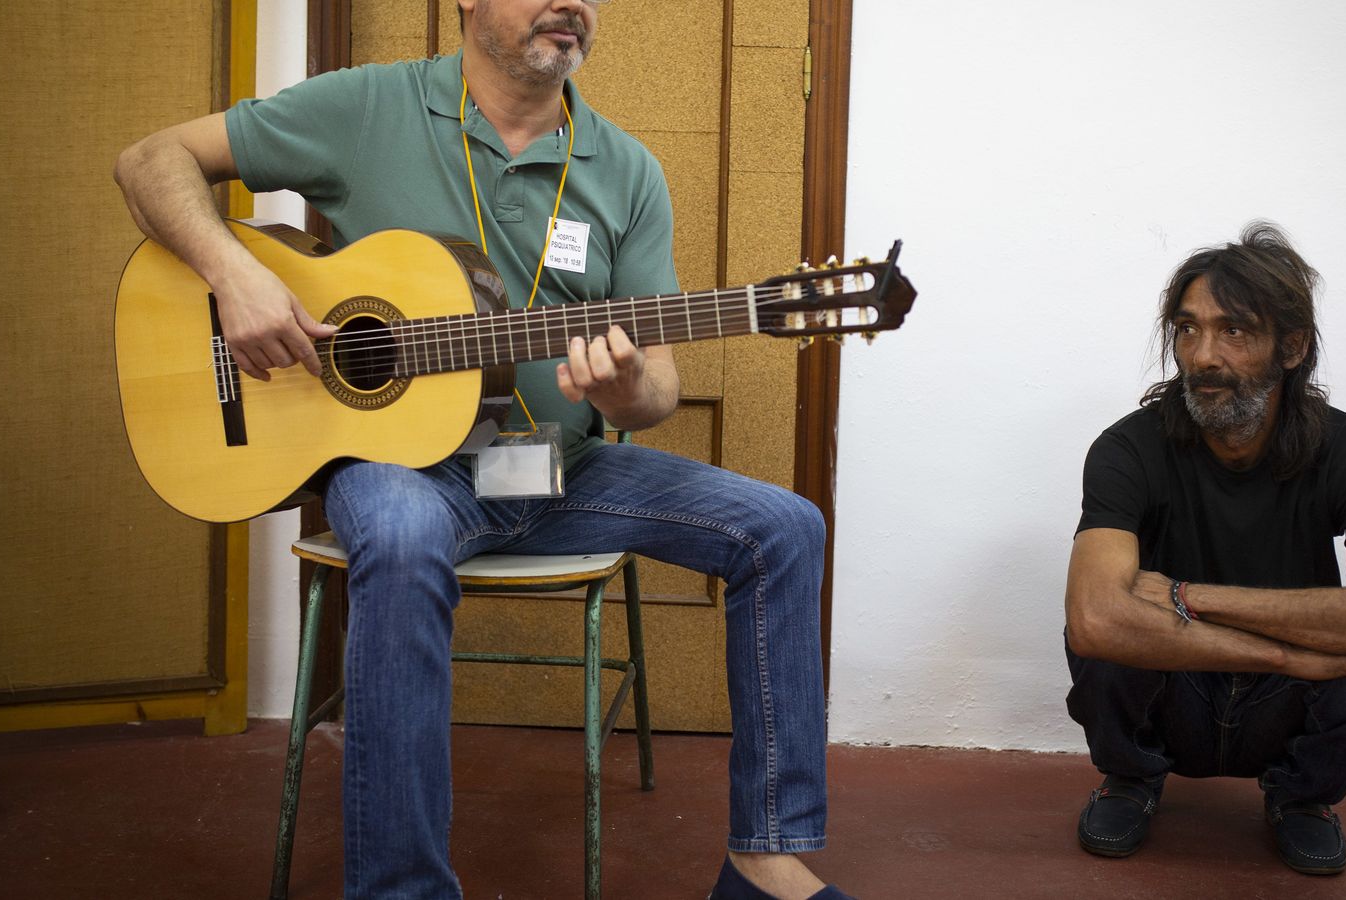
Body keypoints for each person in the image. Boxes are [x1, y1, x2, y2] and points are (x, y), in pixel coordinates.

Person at [113, 2, 852, 897]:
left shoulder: (626, 171)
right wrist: (236, 276)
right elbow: (148, 160)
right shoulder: (365, 107)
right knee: (402, 538)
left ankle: (765, 861)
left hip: (561, 472)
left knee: (784, 527)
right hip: (405, 473)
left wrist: (624, 389)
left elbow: (656, 388)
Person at [1061, 222, 1346, 875]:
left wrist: (1185, 595)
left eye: (1233, 331)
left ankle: (1302, 797)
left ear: (1292, 346)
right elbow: (1094, 618)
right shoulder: (1127, 448)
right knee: (1106, 645)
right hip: (1177, 683)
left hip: (1284, 701)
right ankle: (1131, 779)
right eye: (1187, 329)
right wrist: (1287, 653)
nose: (1202, 355)